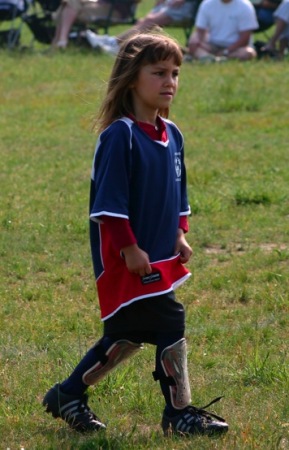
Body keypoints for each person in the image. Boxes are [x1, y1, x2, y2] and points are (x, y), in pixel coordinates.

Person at [42, 32, 229, 437]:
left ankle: (68, 394)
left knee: (128, 332)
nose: (170, 82)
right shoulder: (120, 136)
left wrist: (180, 234)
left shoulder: (172, 134)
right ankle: (179, 414)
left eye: (176, 73)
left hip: (159, 256)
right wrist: (129, 247)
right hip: (128, 258)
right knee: (168, 320)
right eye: (159, 72)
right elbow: (108, 206)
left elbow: (178, 191)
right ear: (131, 78)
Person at [85, 0, 197, 54]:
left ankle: (115, 43)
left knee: (150, 21)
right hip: (171, 6)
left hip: (185, 8)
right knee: (146, 21)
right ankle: (114, 42)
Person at [188, 0, 259, 61]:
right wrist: (196, 41)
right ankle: (212, 58)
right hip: (212, 45)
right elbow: (200, 31)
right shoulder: (207, 4)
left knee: (248, 53)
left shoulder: (245, 6)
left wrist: (226, 51)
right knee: (195, 46)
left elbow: (245, 38)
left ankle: (210, 58)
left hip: (236, 48)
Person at [51, 0, 134, 48]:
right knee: (71, 3)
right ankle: (61, 41)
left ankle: (59, 41)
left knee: (68, 9)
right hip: (99, 4)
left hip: (114, 10)